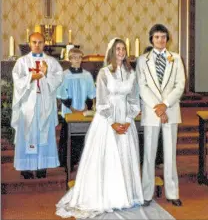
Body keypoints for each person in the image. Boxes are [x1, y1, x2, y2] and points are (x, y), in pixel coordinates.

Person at [56, 38, 175, 220]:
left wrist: (128, 120)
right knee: (108, 156)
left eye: (123, 49)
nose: (121, 52)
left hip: (125, 117)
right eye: (117, 49)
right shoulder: (104, 73)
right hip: (106, 119)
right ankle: (107, 196)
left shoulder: (131, 73)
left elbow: (135, 100)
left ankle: (126, 194)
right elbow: (102, 101)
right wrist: (112, 122)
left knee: (124, 156)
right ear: (112, 52)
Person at [137, 24, 185, 207]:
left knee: (170, 153)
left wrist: (164, 105)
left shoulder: (176, 59)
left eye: (163, 37)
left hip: (170, 111)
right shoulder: (143, 60)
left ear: (167, 39)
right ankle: (147, 193)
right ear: (151, 39)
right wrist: (157, 107)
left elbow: (180, 85)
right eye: (157, 37)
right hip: (151, 112)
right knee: (149, 153)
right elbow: (142, 86)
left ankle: (173, 193)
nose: (160, 40)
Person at [11, 32, 63, 179]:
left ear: (44, 43)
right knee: (27, 134)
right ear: (29, 43)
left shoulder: (51, 62)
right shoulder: (22, 62)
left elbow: (58, 78)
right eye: (34, 42)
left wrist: (46, 75)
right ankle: (26, 167)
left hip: (44, 103)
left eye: (40, 42)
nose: (37, 45)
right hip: (28, 104)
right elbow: (17, 79)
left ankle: (42, 167)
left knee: (43, 133)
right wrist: (31, 77)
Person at [57, 47, 96, 168]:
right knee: (68, 136)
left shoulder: (87, 75)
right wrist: (71, 107)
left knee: (82, 136)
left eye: (79, 57)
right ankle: (68, 163)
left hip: (84, 110)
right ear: (70, 59)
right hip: (69, 110)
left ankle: (82, 162)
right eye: (74, 58)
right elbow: (61, 93)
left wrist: (87, 106)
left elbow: (91, 93)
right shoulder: (64, 75)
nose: (77, 60)